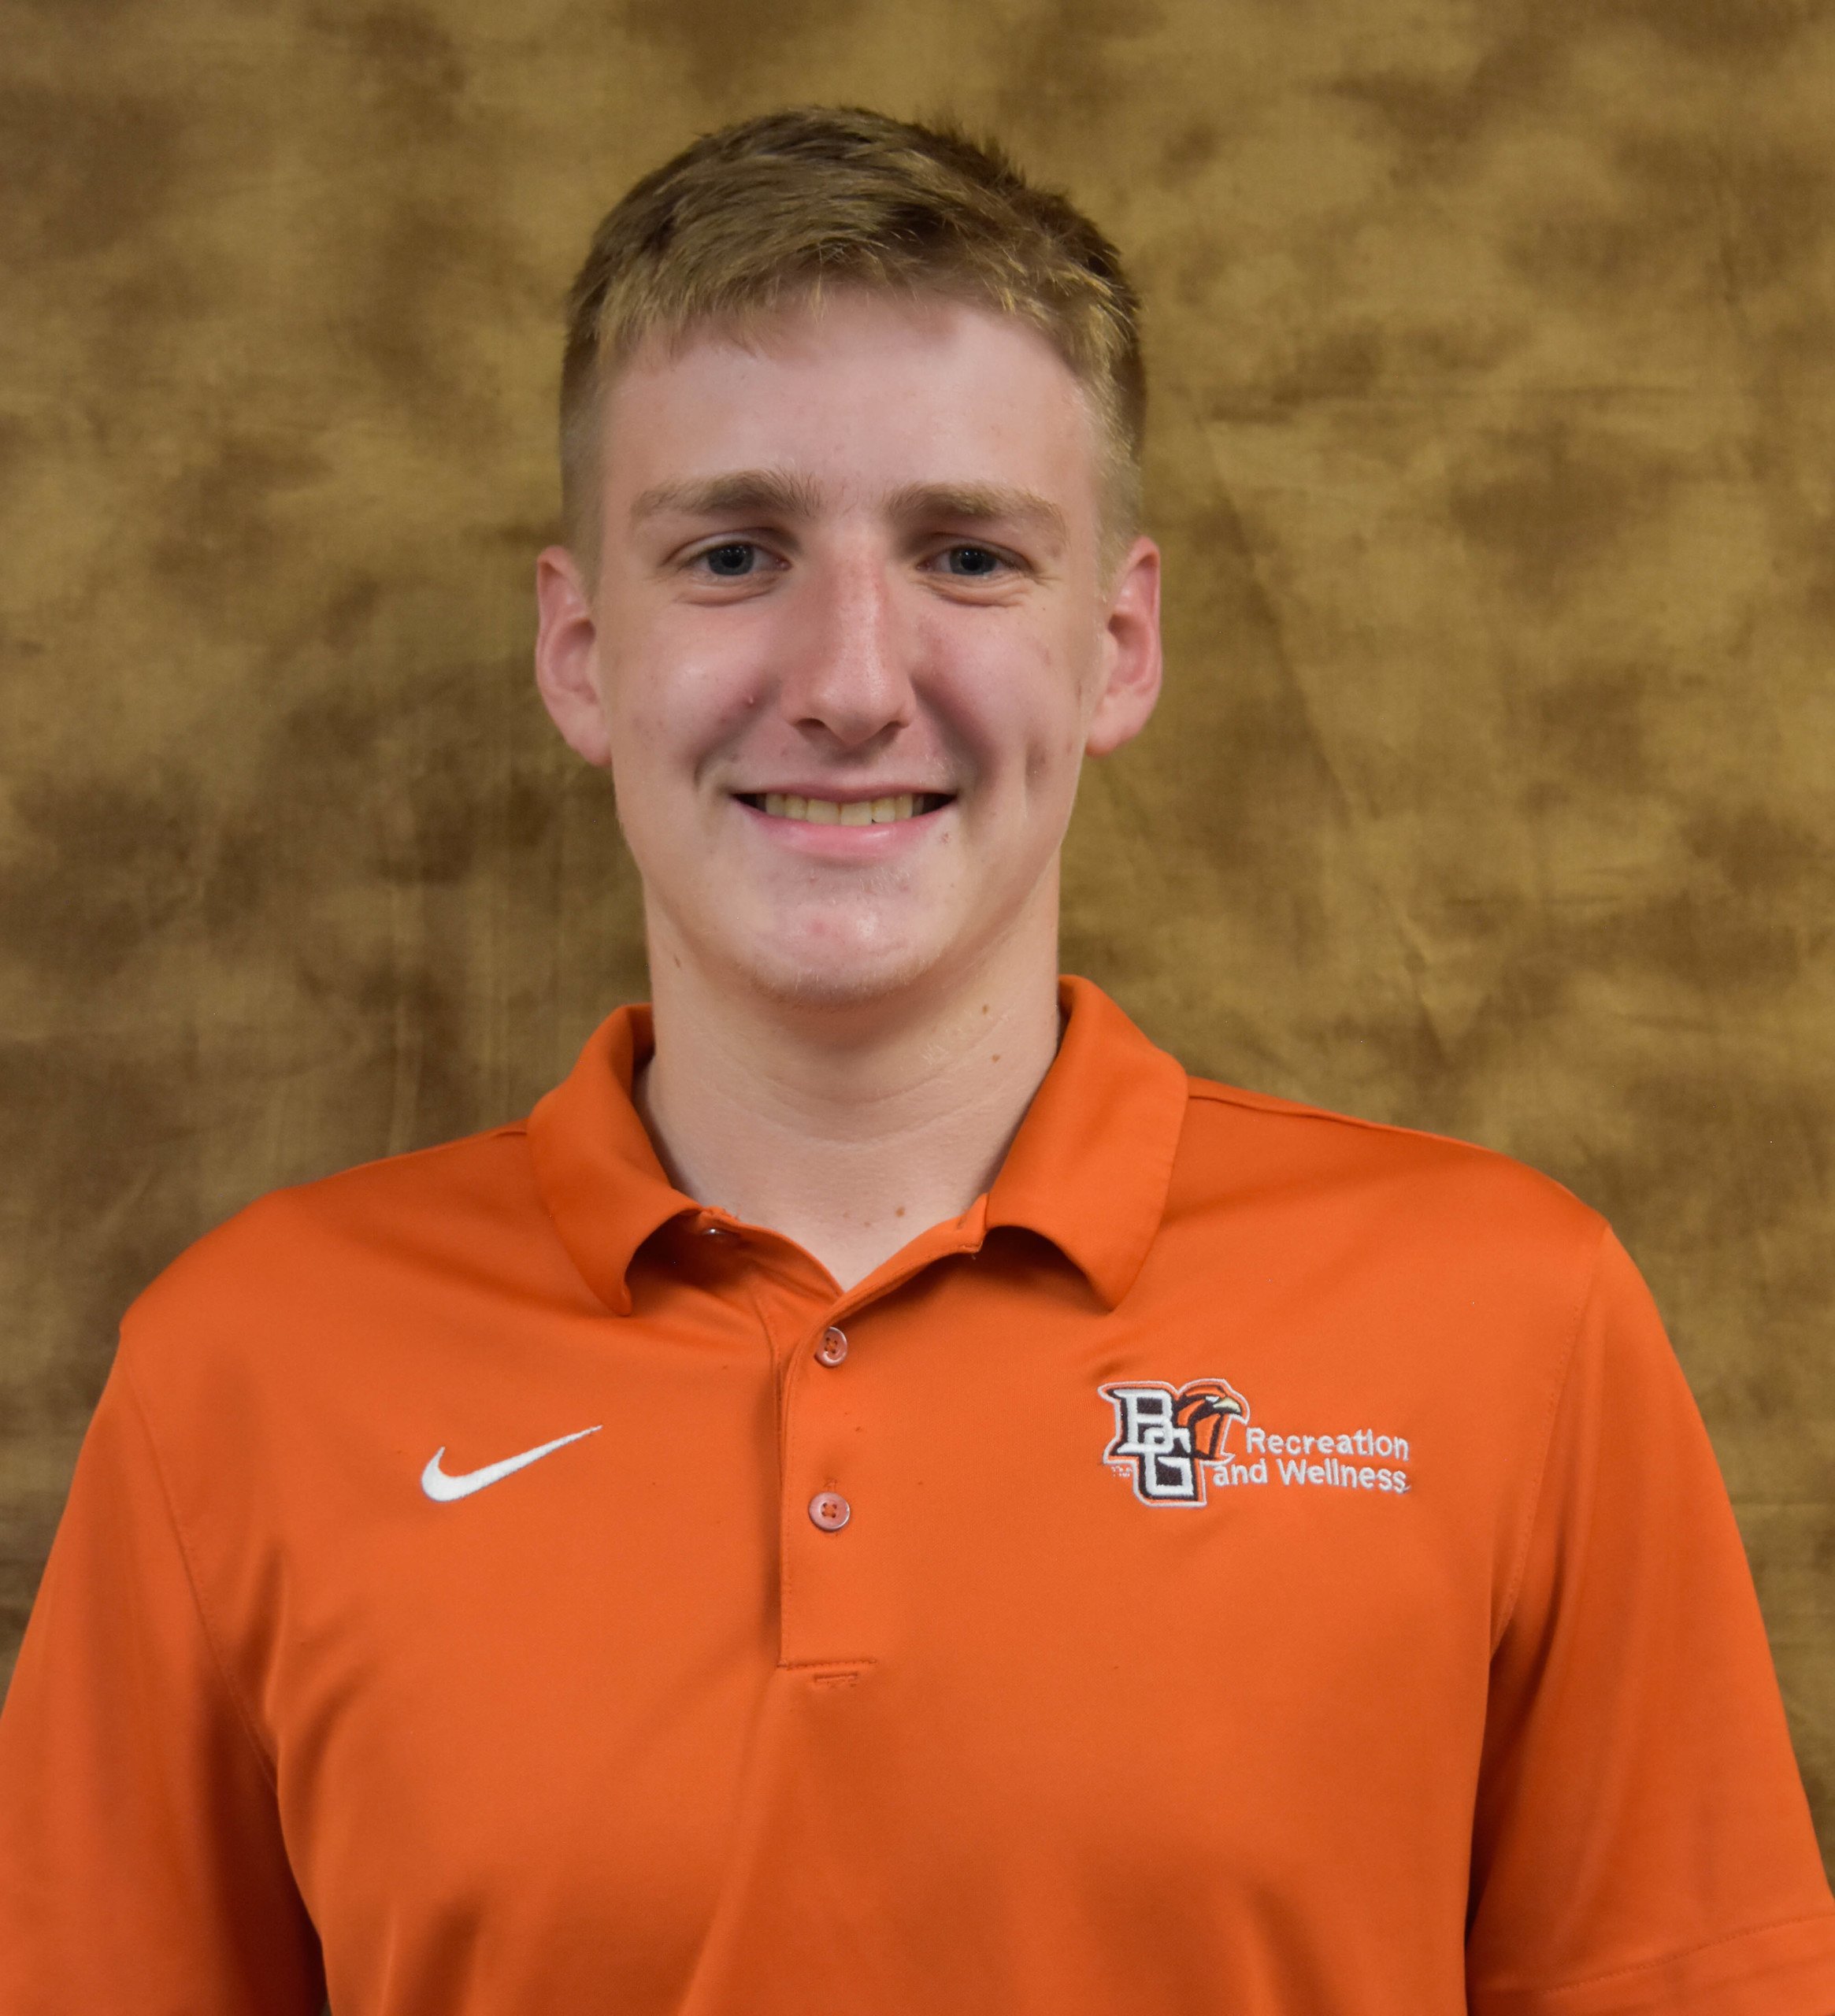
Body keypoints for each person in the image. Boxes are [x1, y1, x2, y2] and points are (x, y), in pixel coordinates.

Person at [0, 104, 1829, 2016]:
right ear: (579, 650)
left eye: (966, 555)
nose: (852, 681)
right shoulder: (245, 1367)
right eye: (732, 553)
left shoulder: (1509, 1317)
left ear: (1118, 644)